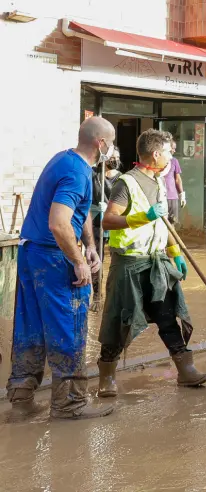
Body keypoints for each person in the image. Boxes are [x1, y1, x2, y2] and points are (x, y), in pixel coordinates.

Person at [6, 116, 117, 420]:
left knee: (30, 326)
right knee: (68, 325)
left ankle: (21, 399)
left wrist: (91, 246)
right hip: (54, 258)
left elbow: (80, 215)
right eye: (112, 143)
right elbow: (59, 223)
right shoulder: (77, 173)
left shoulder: (63, 160)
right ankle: (70, 404)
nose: (113, 150)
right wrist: (79, 261)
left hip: (31, 254)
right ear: (101, 143)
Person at [97, 129, 206, 397]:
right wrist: (143, 216)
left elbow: (164, 225)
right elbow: (108, 220)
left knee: (167, 314)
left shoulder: (159, 182)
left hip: (157, 262)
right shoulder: (126, 183)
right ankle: (107, 378)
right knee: (119, 320)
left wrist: (175, 253)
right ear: (156, 154)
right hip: (129, 263)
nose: (172, 157)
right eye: (170, 152)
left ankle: (186, 371)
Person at [161, 140, 185, 223]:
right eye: (173, 148)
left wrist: (182, 194)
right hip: (160, 197)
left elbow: (178, 179)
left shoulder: (174, 161)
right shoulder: (158, 160)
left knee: (172, 223)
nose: (174, 151)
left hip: (172, 196)